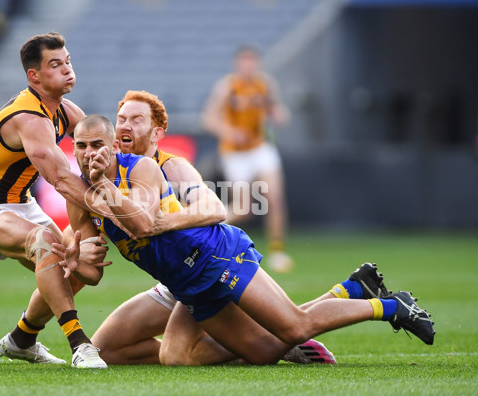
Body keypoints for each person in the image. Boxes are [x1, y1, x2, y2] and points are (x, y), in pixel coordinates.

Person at [57, 114, 435, 367]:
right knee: (268, 350)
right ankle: (350, 289)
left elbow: (140, 224)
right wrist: (78, 262)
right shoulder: (81, 200)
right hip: (187, 285)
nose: (90, 154)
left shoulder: (139, 169)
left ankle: (390, 307)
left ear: (113, 145)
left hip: (214, 255)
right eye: (82, 147)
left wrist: (104, 187)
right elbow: (94, 273)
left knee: (294, 328)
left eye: (97, 145)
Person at [80, 90, 335, 365]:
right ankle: (261, 342)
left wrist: (162, 223)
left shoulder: (172, 167)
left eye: (136, 120)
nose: (126, 126)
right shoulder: (112, 171)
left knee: (176, 356)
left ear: (156, 134)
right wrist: (79, 249)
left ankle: (277, 341)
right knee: (105, 351)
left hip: (201, 270)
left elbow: (214, 209)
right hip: (173, 282)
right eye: (122, 119)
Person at [0, 32, 108, 369]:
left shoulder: (66, 111)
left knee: (84, 267)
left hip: (21, 203)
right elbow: (63, 180)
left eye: (67, 61)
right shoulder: (29, 118)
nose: (67, 69)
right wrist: (118, 209)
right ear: (34, 76)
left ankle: (21, 339)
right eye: (55, 64)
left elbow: (99, 155)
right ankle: (79, 343)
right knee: (45, 243)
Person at [202, 44, 293, 273]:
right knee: (244, 209)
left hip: (260, 148)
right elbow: (209, 119)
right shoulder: (227, 87)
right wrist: (229, 132)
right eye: (244, 61)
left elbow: (276, 109)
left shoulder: (265, 85)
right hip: (235, 153)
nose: (248, 65)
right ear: (237, 63)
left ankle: (277, 250)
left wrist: (279, 114)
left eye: (252, 61)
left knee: (275, 197)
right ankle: (206, 227)